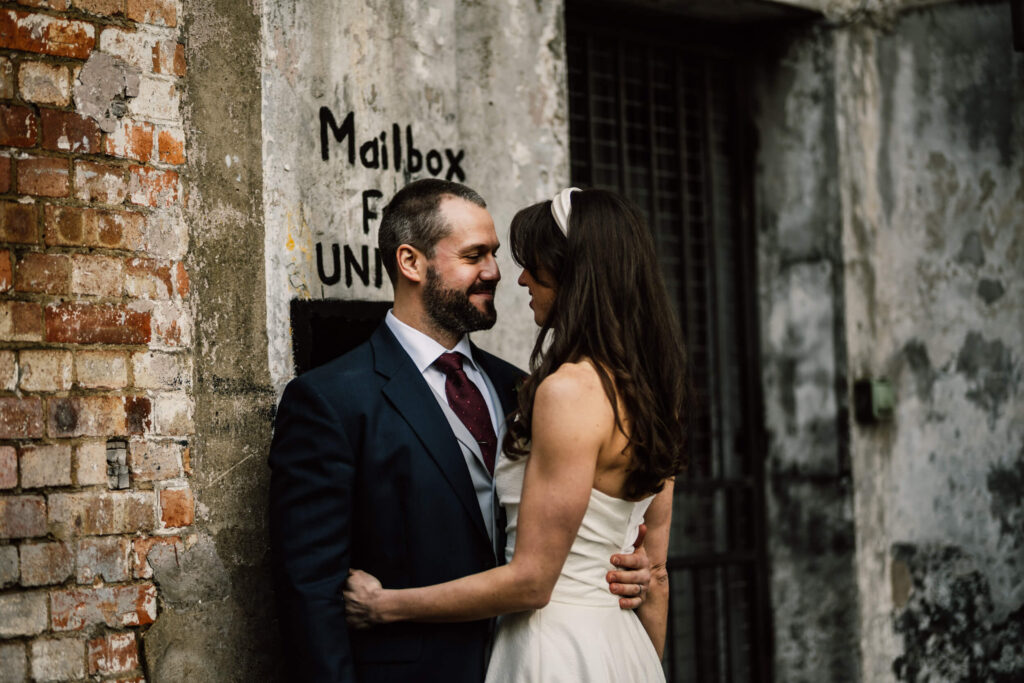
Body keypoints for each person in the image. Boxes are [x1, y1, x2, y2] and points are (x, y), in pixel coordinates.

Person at [267, 179, 651, 683]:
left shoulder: (525, 388)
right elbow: (310, 594)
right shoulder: (330, 401)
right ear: (411, 263)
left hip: (537, 660)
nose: (495, 272)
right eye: (475, 255)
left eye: (494, 254)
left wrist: (624, 565)